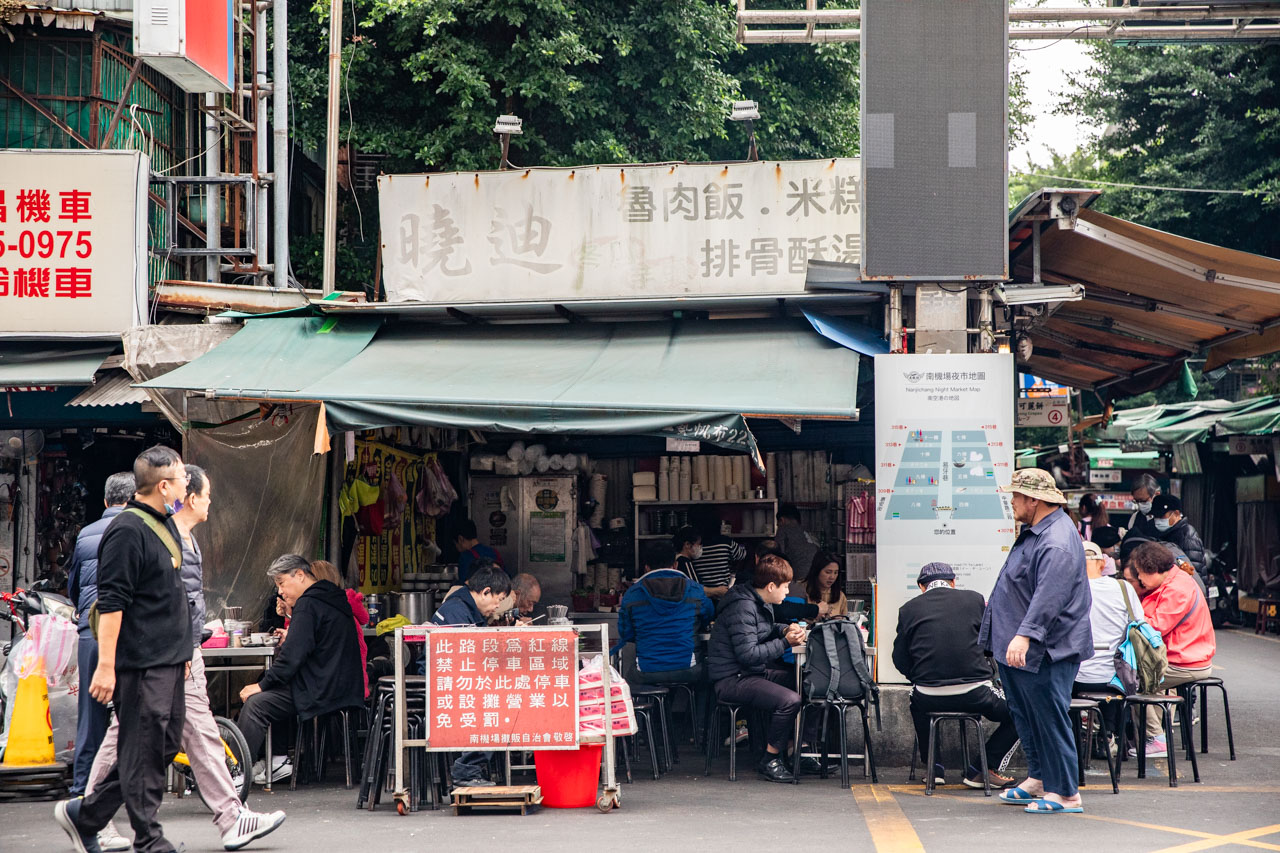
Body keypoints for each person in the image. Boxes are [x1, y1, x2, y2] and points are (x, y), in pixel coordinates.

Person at [85, 466, 285, 851]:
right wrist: (182, 647)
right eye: (206, 494)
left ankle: (228, 817)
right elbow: (135, 602)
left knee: (182, 733)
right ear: (188, 495)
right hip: (165, 656)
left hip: (176, 652)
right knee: (136, 737)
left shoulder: (183, 538)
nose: (210, 502)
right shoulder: (158, 536)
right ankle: (92, 815)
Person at [55, 446, 193, 853]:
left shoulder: (164, 524)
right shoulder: (127, 530)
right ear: (163, 486)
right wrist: (106, 666)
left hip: (170, 659)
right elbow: (112, 604)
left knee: (162, 746)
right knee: (142, 748)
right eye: (182, 479)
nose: (186, 485)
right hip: (141, 662)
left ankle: (87, 815)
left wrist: (183, 652)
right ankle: (149, 839)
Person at [979, 468, 1093, 814]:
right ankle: (1041, 778)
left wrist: (1025, 635)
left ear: (1034, 500)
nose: (1012, 502)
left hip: (1044, 648)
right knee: (1026, 716)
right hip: (1021, 646)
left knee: (1047, 717)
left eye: (1016, 496)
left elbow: (1049, 596)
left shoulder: (1055, 539)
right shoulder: (1038, 531)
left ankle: (1065, 793)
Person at [237, 555, 364, 784]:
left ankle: (235, 772)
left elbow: (291, 658)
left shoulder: (308, 604)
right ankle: (277, 760)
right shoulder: (331, 596)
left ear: (300, 575)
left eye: (282, 583)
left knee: (256, 703)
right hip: (341, 685)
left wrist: (261, 685)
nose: (280, 591)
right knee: (271, 687)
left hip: (321, 689)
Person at [892, 562, 1019, 790]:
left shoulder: (908, 609)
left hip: (928, 696)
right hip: (975, 693)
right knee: (1022, 712)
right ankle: (983, 769)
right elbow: (991, 642)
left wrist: (921, 677)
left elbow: (900, 658)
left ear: (921, 586)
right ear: (952, 582)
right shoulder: (975, 600)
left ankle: (934, 768)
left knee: (916, 702)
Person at [706, 554, 809, 783]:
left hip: (750, 673)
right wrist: (786, 643)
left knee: (807, 683)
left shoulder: (758, 601)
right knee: (790, 700)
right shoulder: (743, 607)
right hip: (732, 678)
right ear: (771, 586)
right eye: (785, 586)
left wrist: (784, 629)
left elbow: (765, 628)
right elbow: (749, 654)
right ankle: (770, 760)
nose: (787, 592)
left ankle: (798, 749)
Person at [68, 471, 134, 801]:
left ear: (106, 501)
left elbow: (74, 587)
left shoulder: (85, 535)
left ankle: (83, 789)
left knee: (90, 716)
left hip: (91, 635)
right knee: (132, 713)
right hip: (129, 634)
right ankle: (128, 789)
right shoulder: (141, 530)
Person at [427, 563, 512, 787]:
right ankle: (467, 771)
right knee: (495, 704)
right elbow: (466, 659)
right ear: (485, 592)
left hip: (453, 675)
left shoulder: (465, 608)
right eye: (498, 600)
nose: (497, 606)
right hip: (442, 679)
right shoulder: (456, 611)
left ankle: (473, 768)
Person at [1129, 541, 1216, 758]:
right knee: (1151, 680)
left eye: (1140, 573)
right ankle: (1157, 734)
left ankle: (1156, 738)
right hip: (1181, 657)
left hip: (1185, 662)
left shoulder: (1177, 589)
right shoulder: (1173, 581)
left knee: (1132, 680)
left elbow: (1156, 627)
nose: (1139, 579)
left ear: (1153, 570)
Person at [614, 541, 714, 684]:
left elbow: (626, 633)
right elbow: (708, 615)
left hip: (646, 671)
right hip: (689, 669)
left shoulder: (632, 594)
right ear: (675, 565)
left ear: (646, 567)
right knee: (707, 679)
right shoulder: (694, 589)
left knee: (627, 680)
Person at [1071, 541, 1138, 752]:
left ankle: (1073, 740)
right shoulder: (1123, 588)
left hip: (1076, 679)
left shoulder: (1067, 589)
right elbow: (1139, 625)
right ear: (1102, 563)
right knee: (1113, 675)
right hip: (1116, 679)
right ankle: (1108, 735)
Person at [310, 560, 370, 698]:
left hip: (341, 685)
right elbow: (364, 618)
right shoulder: (344, 600)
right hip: (354, 681)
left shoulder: (323, 606)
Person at [688, 506, 746, 600]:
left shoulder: (694, 545)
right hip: (723, 594)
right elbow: (742, 555)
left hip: (703, 595)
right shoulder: (725, 542)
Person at [1151, 494, 1206, 578]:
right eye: (1155, 516)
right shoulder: (1163, 534)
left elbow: (1193, 573)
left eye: (1161, 516)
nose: (1157, 520)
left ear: (1176, 513)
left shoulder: (1188, 536)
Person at [774, 504, 818, 586]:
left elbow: (778, 557)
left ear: (782, 520)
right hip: (815, 579)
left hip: (796, 581)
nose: (777, 525)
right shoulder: (806, 531)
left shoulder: (783, 530)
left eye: (778, 523)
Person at [454, 518, 504, 583]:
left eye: (455, 544)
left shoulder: (465, 557)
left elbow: (464, 584)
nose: (457, 549)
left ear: (460, 539)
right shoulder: (494, 552)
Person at [802, 552, 848, 620]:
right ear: (817, 571)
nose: (832, 577)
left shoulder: (840, 596)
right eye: (828, 572)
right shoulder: (802, 590)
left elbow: (846, 621)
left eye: (836, 572)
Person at [1126, 473, 1162, 540]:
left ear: (1156, 495)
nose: (1140, 504)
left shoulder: (1167, 519)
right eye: (1137, 501)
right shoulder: (1135, 518)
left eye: (1143, 501)